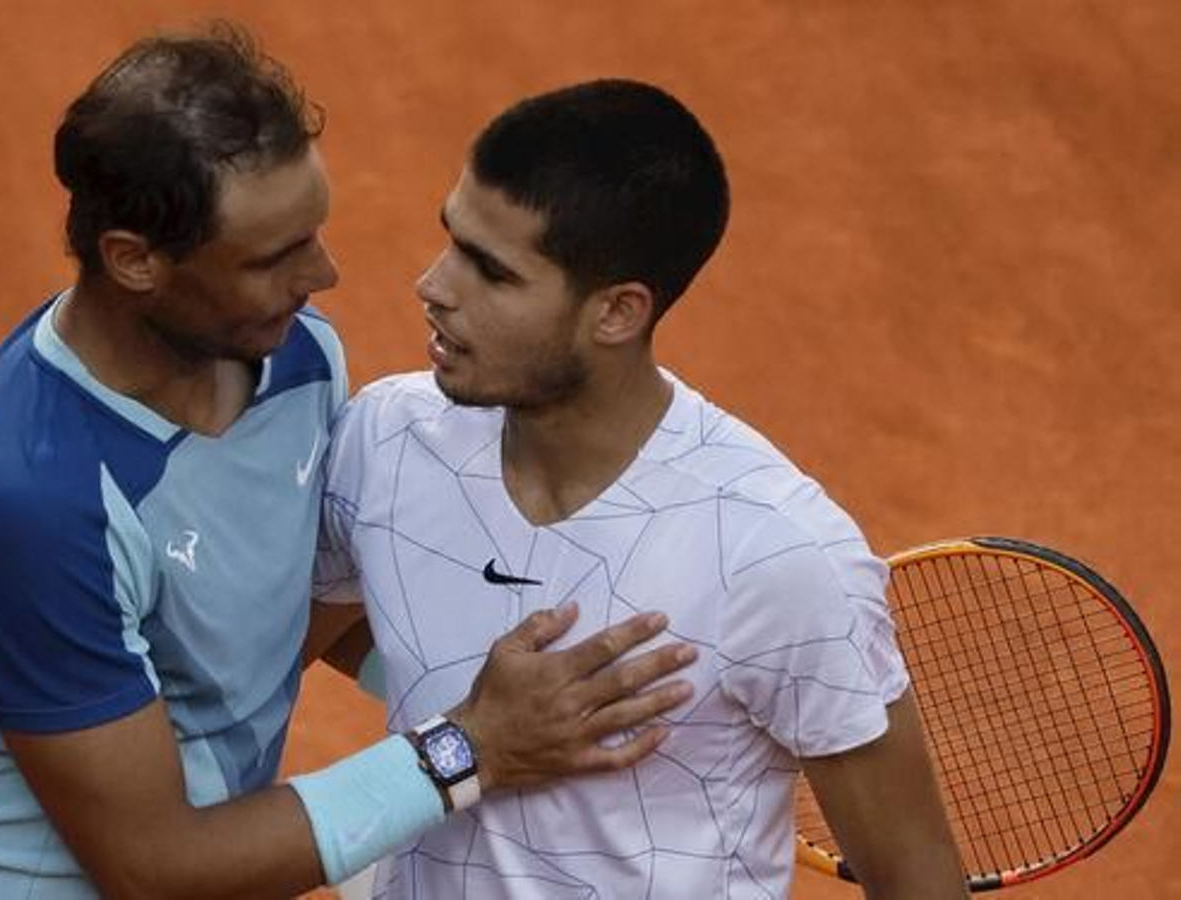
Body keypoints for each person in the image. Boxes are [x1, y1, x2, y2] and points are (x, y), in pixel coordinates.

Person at [0, 27, 699, 899]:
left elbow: (287, 622)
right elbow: (153, 867)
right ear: (135, 261)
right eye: (275, 258)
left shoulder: (296, 362)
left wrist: (558, 710)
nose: (325, 273)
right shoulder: (27, 501)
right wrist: (473, 744)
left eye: (313, 232)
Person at [313, 80, 967, 898]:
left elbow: (917, 884)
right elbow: (263, 664)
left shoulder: (778, 555)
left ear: (618, 312)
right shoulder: (387, 442)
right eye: (452, 239)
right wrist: (490, 724)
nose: (434, 285)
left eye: (492, 272)